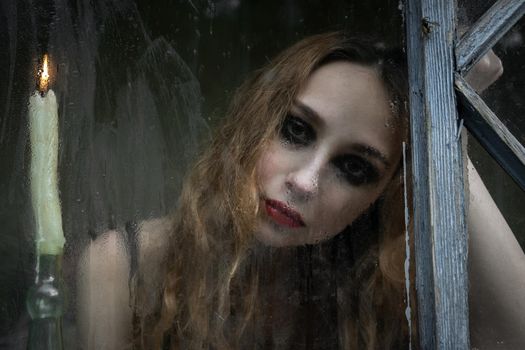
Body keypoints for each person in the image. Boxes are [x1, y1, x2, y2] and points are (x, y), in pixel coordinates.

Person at [78, 32, 525, 349]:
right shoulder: (124, 264)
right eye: (295, 130)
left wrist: (448, 138)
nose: (305, 182)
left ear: (382, 192)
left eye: (354, 167)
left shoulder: (379, 292)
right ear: (255, 123)